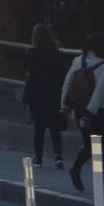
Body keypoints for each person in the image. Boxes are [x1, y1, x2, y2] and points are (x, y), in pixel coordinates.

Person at [68, 32, 104, 195]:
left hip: (80, 109)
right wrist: (90, 112)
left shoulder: (79, 61)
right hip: (101, 112)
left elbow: (68, 83)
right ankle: (101, 183)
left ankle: (76, 168)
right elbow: (100, 92)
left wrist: (65, 106)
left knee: (90, 146)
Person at [22, 24, 69, 166]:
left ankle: (39, 157)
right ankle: (58, 156)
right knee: (55, 127)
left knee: (39, 128)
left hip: (36, 94)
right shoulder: (57, 54)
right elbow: (62, 74)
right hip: (53, 94)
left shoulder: (32, 52)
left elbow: (26, 69)